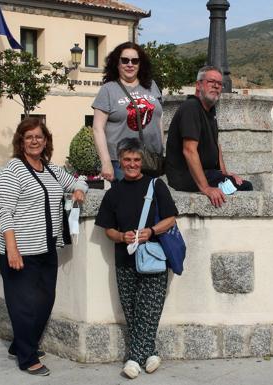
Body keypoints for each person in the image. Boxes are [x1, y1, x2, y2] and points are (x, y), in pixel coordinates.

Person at [0, 117, 87, 376]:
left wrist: (79, 191)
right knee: (23, 305)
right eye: (29, 137)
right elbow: (5, 212)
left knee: (45, 301)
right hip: (21, 251)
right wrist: (12, 249)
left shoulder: (50, 170)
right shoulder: (13, 170)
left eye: (39, 136)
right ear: (21, 142)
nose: (35, 141)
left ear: (45, 140)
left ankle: (19, 345)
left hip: (47, 248)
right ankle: (27, 357)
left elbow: (78, 180)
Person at [95, 138, 178, 378]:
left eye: (136, 160)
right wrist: (122, 236)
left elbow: (171, 218)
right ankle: (150, 352)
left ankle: (133, 358)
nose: (132, 164)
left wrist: (150, 232)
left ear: (142, 162)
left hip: (153, 259)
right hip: (125, 260)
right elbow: (107, 229)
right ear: (120, 161)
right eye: (127, 160)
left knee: (149, 310)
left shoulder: (156, 185)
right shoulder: (113, 193)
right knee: (131, 311)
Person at [164, 65, 252, 207]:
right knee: (245, 188)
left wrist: (225, 175)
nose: (216, 86)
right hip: (186, 177)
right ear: (198, 85)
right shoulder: (191, 108)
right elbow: (189, 150)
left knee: (240, 185)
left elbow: (216, 146)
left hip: (208, 173)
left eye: (219, 84)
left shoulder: (210, 110)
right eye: (211, 82)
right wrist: (205, 188)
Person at [92, 41, 163, 181]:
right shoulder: (108, 89)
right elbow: (97, 128)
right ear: (116, 63)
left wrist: (162, 148)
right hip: (122, 161)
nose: (130, 64)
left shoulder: (151, 85)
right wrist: (106, 163)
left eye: (135, 61)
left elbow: (159, 119)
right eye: (125, 60)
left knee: (150, 200)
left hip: (150, 158)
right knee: (128, 200)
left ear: (140, 64)